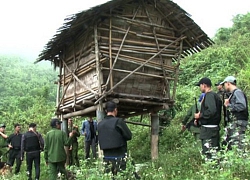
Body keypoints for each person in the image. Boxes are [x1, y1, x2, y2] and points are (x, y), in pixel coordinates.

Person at [98, 101, 132, 176]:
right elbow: (129, 136)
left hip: (106, 157)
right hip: (119, 157)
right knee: (121, 176)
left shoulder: (100, 124)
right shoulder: (118, 121)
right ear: (115, 110)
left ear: (106, 111)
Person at [194, 77, 222, 160]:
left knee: (208, 153)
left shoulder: (209, 95)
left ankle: (211, 169)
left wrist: (200, 115)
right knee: (214, 152)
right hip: (213, 128)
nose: (200, 87)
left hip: (208, 130)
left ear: (204, 85)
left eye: (200, 85)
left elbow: (211, 111)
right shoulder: (215, 95)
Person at [221, 76, 248, 150]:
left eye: (224, 84)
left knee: (238, 146)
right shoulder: (233, 94)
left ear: (228, 83)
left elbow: (242, 106)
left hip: (238, 123)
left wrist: (228, 105)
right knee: (232, 145)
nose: (224, 86)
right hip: (236, 123)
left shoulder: (237, 92)